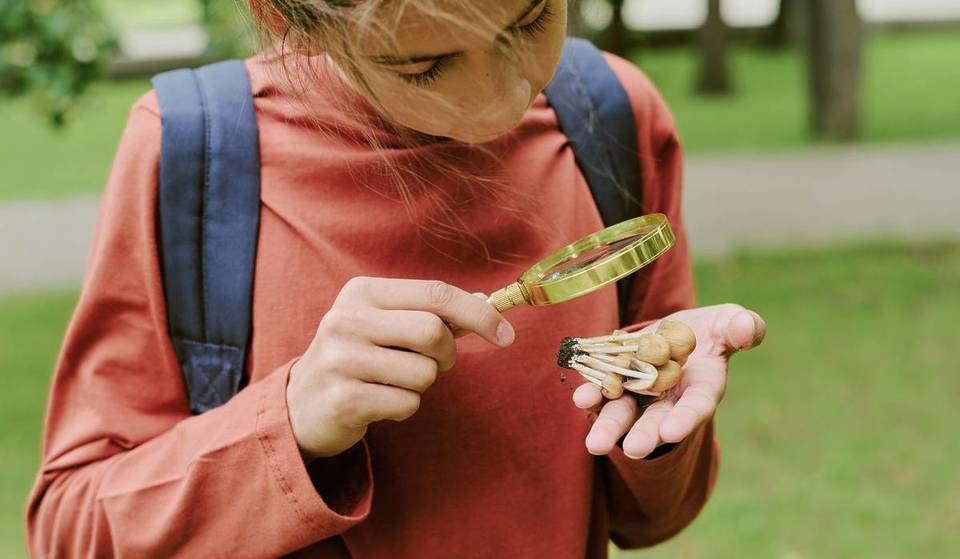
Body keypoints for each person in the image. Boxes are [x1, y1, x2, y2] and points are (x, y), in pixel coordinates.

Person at [26, 1, 766, 557]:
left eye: (531, 21)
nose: (502, 99)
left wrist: (656, 414)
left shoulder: (611, 116)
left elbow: (652, 519)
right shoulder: (196, 152)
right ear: (285, 18)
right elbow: (70, 529)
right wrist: (288, 424)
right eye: (425, 66)